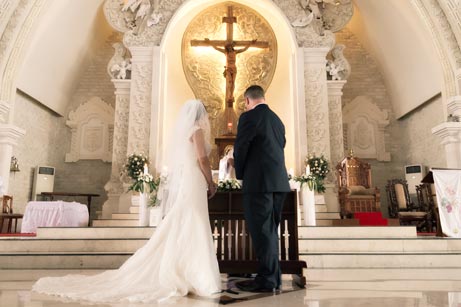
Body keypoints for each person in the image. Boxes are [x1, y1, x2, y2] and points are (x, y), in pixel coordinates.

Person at [32, 99, 221, 303]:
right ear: (198, 115)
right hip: (193, 179)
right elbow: (202, 159)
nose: (205, 118)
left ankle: (185, 270)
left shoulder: (186, 131)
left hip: (187, 179)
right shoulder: (197, 131)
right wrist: (210, 182)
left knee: (186, 221)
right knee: (194, 221)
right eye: (204, 114)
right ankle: (193, 273)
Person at [230, 85, 291, 292]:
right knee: (270, 231)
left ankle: (267, 280)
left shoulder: (249, 118)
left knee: (262, 232)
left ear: (247, 101)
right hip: (279, 184)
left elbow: (242, 146)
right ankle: (273, 277)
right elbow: (280, 145)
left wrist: (237, 169)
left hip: (259, 184)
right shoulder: (277, 120)